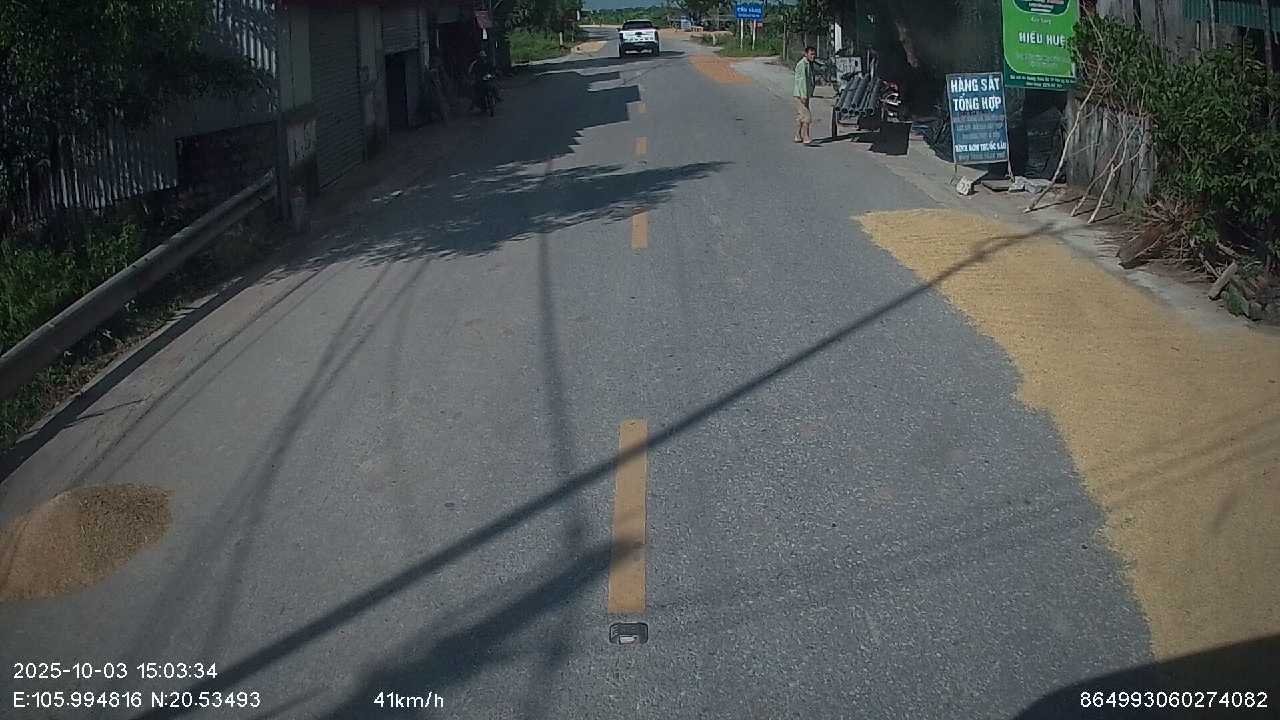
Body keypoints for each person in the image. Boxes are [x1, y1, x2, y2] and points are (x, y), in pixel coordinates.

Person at [793, 46, 819, 146]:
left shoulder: (809, 64)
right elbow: (802, 81)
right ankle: (806, 137)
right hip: (801, 94)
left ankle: (797, 135)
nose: (813, 56)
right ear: (806, 54)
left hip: (804, 94)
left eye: (814, 54)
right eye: (811, 54)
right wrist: (803, 95)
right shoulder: (802, 65)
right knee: (807, 116)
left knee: (801, 116)